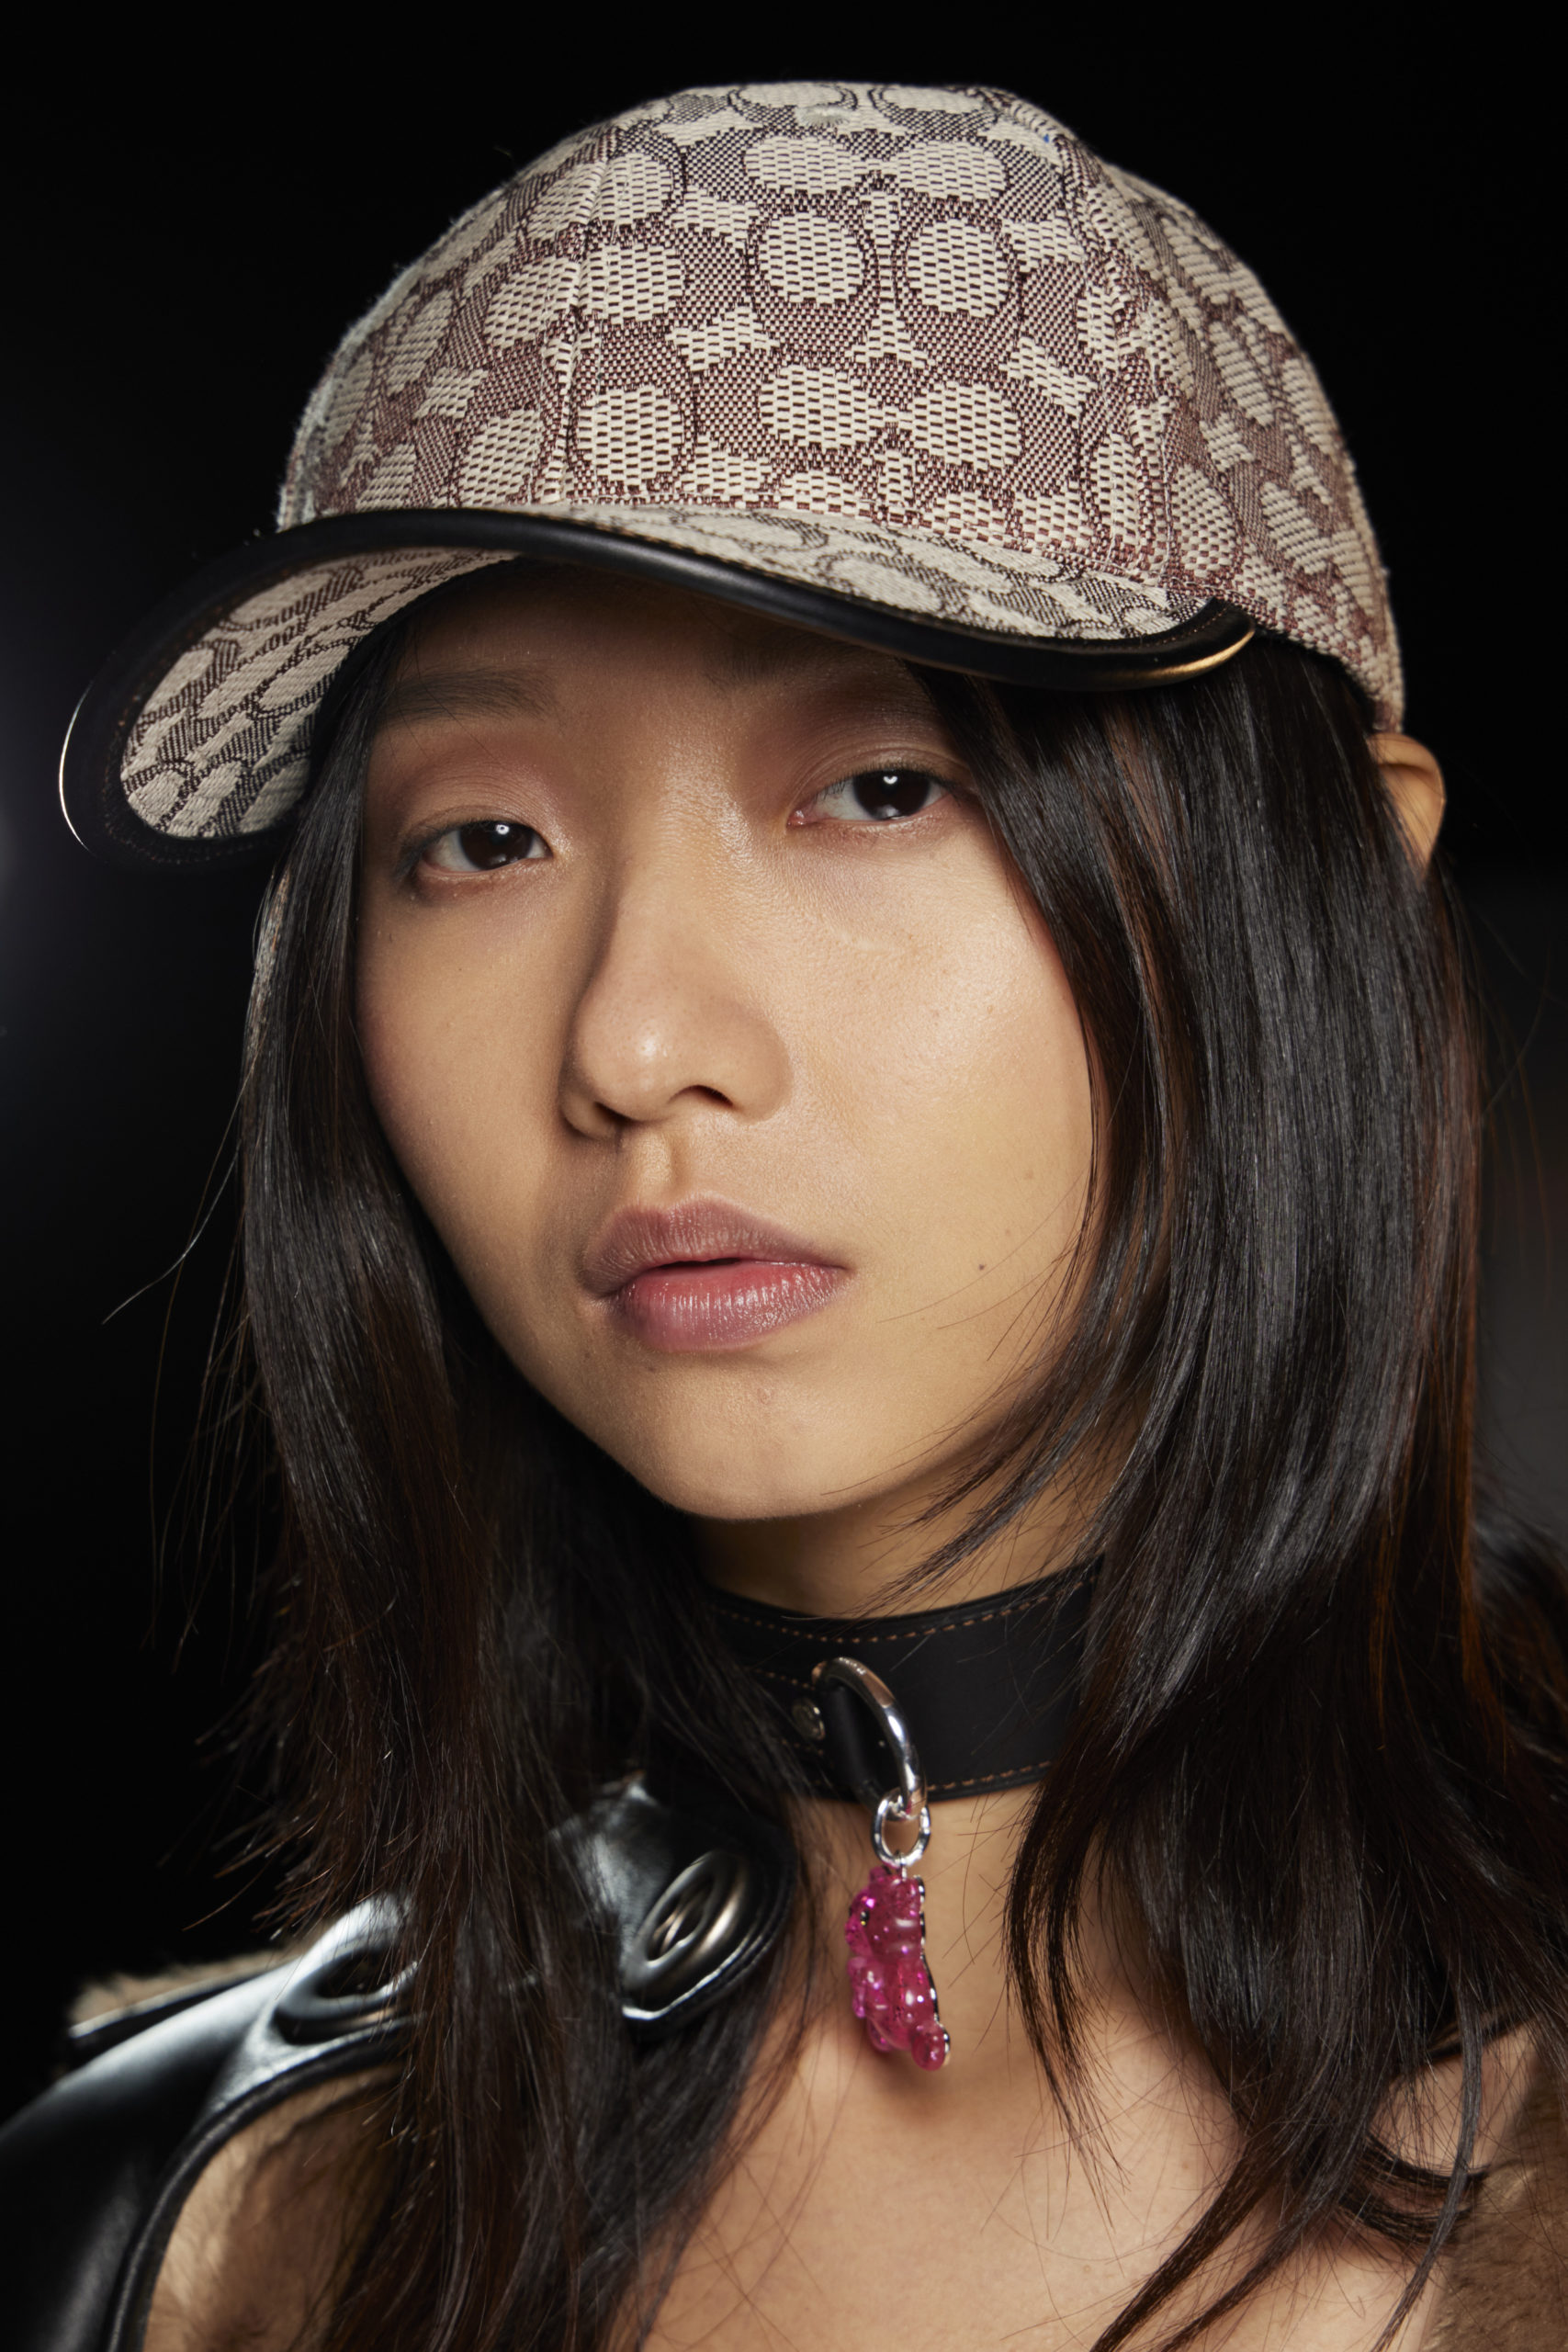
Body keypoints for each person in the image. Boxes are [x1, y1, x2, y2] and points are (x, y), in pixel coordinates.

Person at [6, 75, 1565, 2352]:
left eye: (877, 782)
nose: (635, 1039)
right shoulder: (172, 2226)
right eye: (481, 840)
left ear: (1337, 870)